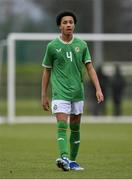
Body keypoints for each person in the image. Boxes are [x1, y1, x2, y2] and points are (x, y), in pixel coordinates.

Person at [41, 11, 104, 171]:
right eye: (65, 22)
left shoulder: (82, 45)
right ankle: (64, 157)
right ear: (59, 26)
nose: (68, 24)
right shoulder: (52, 46)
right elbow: (47, 71)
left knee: (75, 128)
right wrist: (44, 95)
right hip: (60, 93)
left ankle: (73, 161)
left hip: (77, 93)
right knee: (62, 125)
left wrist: (98, 88)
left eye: (71, 22)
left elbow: (90, 68)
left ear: (74, 25)